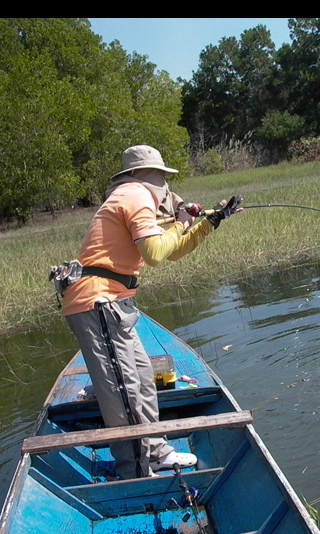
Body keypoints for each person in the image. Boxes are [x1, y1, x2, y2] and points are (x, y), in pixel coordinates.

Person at [59, 145, 242, 479]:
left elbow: (173, 251)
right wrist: (179, 223)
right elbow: (157, 253)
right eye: (164, 180)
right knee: (124, 391)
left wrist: (210, 223)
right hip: (98, 302)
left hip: (114, 304)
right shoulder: (134, 195)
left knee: (142, 378)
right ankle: (136, 471)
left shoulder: (133, 197)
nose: (167, 190)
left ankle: (155, 452)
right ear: (147, 175)